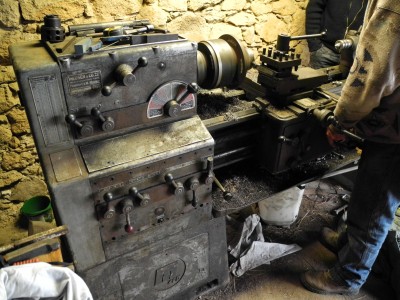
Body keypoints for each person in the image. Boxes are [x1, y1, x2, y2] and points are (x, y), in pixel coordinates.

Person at [301, 0, 400, 295]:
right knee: (371, 193)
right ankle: (349, 245)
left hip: (395, 131)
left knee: (375, 204)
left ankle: (348, 276)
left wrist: (342, 121)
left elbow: (373, 70)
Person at [306, 0, 366, 69]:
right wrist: (315, 45)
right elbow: (314, 9)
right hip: (325, 51)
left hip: (355, 54)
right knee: (319, 79)